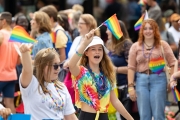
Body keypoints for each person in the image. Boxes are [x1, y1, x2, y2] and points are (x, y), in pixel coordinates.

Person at [68, 29, 134, 120]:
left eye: (100, 49)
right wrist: (84, 44)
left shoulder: (107, 73)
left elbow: (115, 101)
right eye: (93, 49)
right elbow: (71, 65)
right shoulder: (81, 72)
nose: (97, 52)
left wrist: (130, 119)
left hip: (104, 117)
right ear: (86, 53)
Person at [128, 19, 176, 120]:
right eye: (145, 28)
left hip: (159, 80)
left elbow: (173, 63)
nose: (148, 31)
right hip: (141, 80)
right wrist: (131, 86)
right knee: (144, 116)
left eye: (151, 28)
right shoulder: (135, 46)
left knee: (158, 115)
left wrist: (172, 79)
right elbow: (131, 68)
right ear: (142, 31)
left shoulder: (163, 44)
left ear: (155, 30)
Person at [19, 44, 78, 120]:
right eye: (55, 66)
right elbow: (27, 70)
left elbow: (70, 117)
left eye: (59, 65)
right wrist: (25, 53)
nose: (58, 69)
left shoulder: (62, 87)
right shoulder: (31, 83)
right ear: (43, 66)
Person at [106, 20, 139, 120]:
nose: (106, 31)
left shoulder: (127, 44)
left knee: (128, 116)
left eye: (108, 29)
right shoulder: (110, 44)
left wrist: (116, 69)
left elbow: (134, 67)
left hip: (126, 87)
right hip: (116, 87)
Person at [0, 12, 20, 113]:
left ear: (3, 21)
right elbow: (18, 61)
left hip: (0, 75)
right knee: (10, 103)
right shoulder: (16, 37)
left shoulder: (1, 35)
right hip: (12, 75)